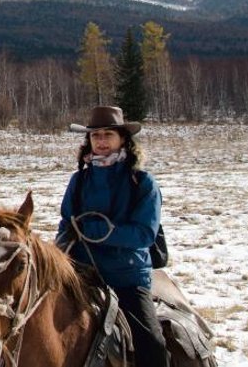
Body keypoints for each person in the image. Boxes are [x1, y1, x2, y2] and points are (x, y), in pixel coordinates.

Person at [56, 105, 168, 367]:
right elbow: (66, 224)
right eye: (96, 136)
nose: (102, 141)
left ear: (123, 139)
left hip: (127, 278)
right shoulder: (79, 181)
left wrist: (92, 231)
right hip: (82, 276)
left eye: (108, 135)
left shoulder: (143, 182)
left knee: (152, 344)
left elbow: (143, 234)